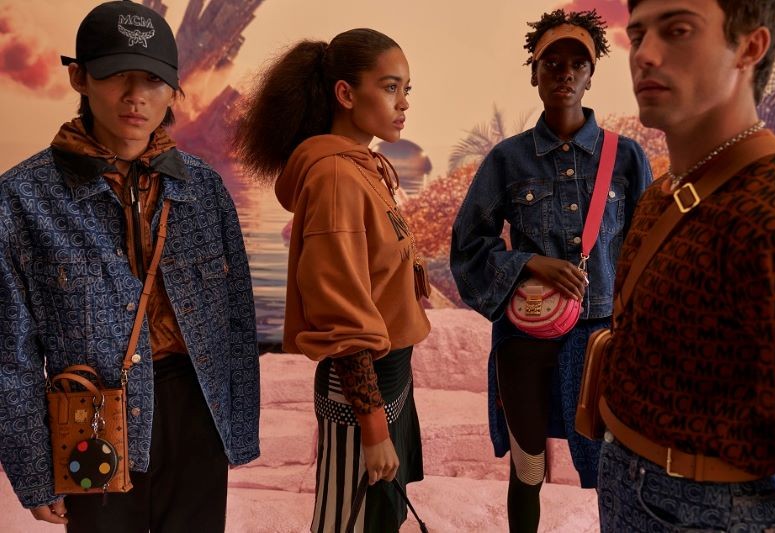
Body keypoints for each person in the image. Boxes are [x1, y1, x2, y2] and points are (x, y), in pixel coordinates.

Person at [0, 1, 260, 531]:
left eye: (154, 79)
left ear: (173, 89)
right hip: (88, 418)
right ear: (80, 77)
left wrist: (237, 432)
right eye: (117, 74)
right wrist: (33, 471)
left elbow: (235, 323)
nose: (136, 96)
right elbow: (11, 353)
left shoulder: (204, 189)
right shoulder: (22, 198)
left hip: (197, 410)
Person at [597, 0, 775, 531]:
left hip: (711, 510)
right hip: (629, 481)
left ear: (750, 47)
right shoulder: (664, 190)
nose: (645, 55)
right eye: (638, 35)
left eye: (679, 30)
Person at [450, 9, 652, 532]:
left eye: (577, 64)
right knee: (528, 468)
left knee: (612, 467)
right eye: (552, 62)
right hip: (526, 335)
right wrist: (529, 263)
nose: (565, 73)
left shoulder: (626, 158)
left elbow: (647, 253)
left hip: (601, 338)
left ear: (591, 75)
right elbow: (467, 246)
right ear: (534, 73)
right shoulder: (507, 160)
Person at [234, 28, 430, 533]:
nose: (403, 102)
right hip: (362, 391)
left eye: (406, 88)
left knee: (378, 521)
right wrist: (373, 427)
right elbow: (340, 312)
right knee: (348, 524)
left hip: (389, 379)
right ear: (346, 93)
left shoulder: (362, 167)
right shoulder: (337, 178)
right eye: (390, 87)